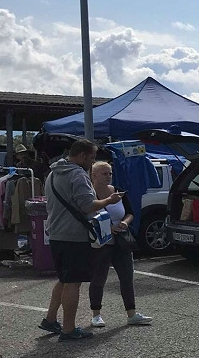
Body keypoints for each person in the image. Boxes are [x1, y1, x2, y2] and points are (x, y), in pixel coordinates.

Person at [41, 139, 123, 341]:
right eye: (92, 157)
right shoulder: (77, 174)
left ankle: (50, 319)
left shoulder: (52, 174)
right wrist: (109, 201)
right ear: (83, 155)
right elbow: (87, 205)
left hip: (56, 234)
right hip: (74, 236)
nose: (92, 161)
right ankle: (69, 329)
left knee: (63, 278)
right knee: (73, 283)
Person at [87, 160, 152, 328]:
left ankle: (132, 314)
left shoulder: (117, 191)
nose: (108, 176)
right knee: (98, 278)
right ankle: (96, 314)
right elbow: (86, 217)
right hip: (101, 242)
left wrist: (124, 223)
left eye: (110, 173)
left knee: (127, 278)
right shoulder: (89, 194)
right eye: (104, 173)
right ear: (93, 175)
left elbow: (130, 212)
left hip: (122, 240)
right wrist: (107, 227)